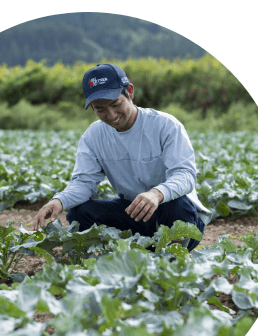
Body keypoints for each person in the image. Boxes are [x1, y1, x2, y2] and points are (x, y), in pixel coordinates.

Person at [33, 63, 212, 251]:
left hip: (173, 214)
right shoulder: (93, 135)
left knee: (175, 204)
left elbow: (185, 175)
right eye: (100, 109)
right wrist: (58, 201)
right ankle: (129, 250)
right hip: (134, 213)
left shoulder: (165, 125)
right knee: (80, 212)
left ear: (130, 92)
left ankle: (174, 255)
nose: (111, 115)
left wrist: (156, 193)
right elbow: (84, 182)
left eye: (116, 104)